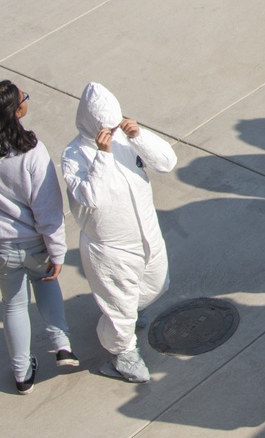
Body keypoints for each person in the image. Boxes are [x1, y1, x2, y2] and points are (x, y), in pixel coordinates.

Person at [62, 82, 177, 383]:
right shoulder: (74, 155)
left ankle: (121, 319)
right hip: (110, 248)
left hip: (146, 233)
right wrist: (102, 155)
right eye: (107, 127)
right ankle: (123, 355)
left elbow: (166, 162)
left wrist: (140, 137)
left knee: (157, 283)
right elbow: (92, 199)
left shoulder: (127, 140)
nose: (113, 131)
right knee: (119, 304)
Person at [0, 81, 78, 395]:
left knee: (14, 308)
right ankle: (62, 346)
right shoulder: (32, 152)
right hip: (34, 244)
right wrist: (57, 253)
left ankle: (22, 376)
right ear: (17, 111)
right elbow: (48, 210)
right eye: (24, 98)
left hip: (3, 250)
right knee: (47, 284)